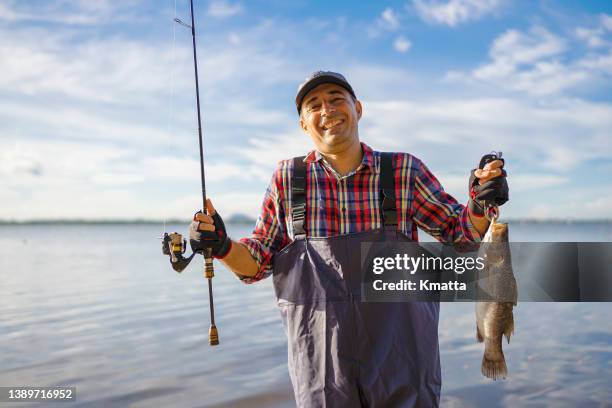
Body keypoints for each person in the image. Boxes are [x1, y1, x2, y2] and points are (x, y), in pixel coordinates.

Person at [189, 71, 509, 407]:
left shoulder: (403, 170)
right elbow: (256, 263)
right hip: (322, 369)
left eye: (336, 99)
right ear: (303, 124)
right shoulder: (287, 178)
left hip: (404, 361)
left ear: (357, 108)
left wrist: (479, 202)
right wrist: (222, 247)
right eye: (314, 105)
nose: (326, 109)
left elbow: (461, 236)